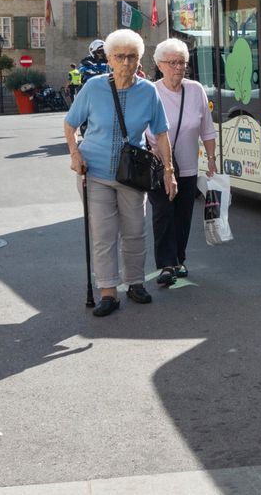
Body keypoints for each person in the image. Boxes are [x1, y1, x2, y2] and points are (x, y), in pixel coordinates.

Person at [63, 29, 176, 317]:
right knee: (103, 233)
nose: (126, 63)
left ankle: (136, 283)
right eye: (120, 57)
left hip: (132, 174)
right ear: (109, 59)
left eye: (132, 57)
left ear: (139, 61)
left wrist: (168, 170)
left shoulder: (148, 91)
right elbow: (70, 123)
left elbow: (161, 134)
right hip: (95, 171)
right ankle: (108, 292)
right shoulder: (93, 88)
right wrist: (75, 155)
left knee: (135, 231)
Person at [148, 38, 217, 287]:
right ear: (160, 64)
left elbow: (207, 129)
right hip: (159, 166)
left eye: (183, 62)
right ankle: (166, 265)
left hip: (188, 165)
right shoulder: (150, 91)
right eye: (173, 62)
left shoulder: (195, 89)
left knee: (183, 215)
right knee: (164, 213)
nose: (179, 68)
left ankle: (179, 258)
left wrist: (211, 158)